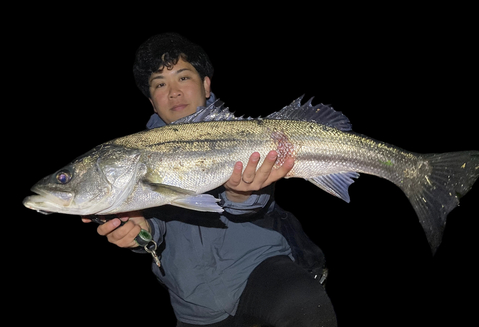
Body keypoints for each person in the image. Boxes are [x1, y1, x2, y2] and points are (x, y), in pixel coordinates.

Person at [83, 32, 337, 327]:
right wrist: (140, 232)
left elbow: (258, 207)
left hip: (262, 272)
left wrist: (242, 195)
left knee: (304, 305)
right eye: (159, 84)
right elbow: (154, 231)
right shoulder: (136, 155)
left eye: (183, 78)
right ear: (152, 102)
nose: (173, 92)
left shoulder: (239, 132)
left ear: (206, 85)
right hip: (194, 307)